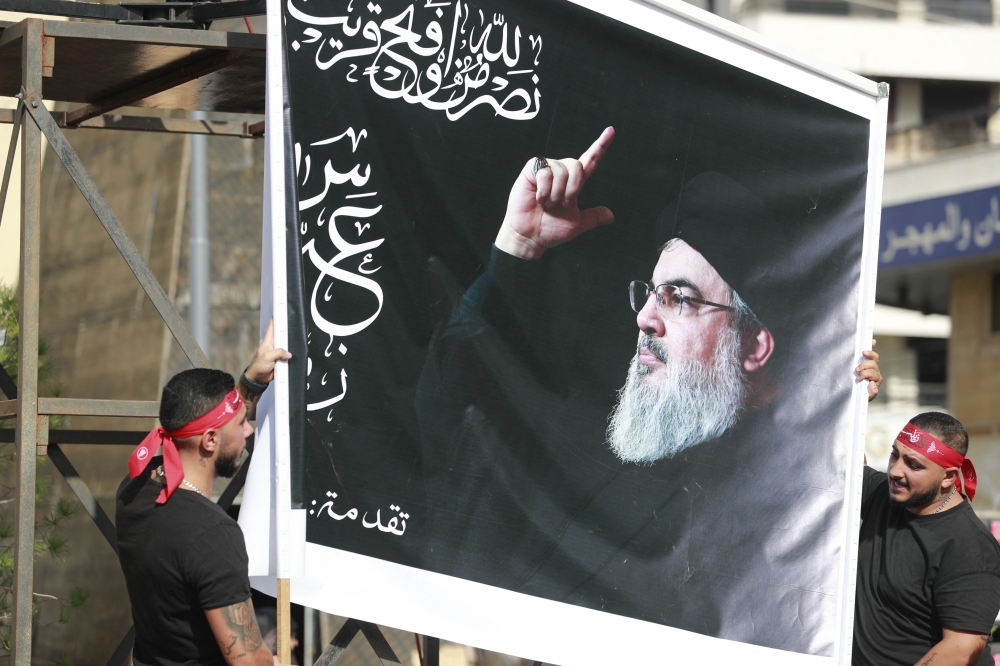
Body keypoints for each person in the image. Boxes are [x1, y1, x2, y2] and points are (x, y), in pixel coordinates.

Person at [415, 127, 884, 654]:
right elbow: (451, 411)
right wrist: (517, 249)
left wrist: (835, 415)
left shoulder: (786, 490)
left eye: (679, 299)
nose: (645, 318)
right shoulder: (606, 438)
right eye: (651, 293)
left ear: (754, 346)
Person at [116, 322, 292, 666]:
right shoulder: (211, 535)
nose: (248, 429)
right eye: (241, 423)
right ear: (209, 441)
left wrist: (251, 383)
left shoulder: (135, 487)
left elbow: (209, 419)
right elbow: (247, 659)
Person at [854, 412, 1000, 666]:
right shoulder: (885, 494)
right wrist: (852, 394)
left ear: (948, 477)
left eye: (913, 465)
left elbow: (963, 646)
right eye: (894, 455)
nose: (895, 471)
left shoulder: (970, 546)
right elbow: (841, 456)